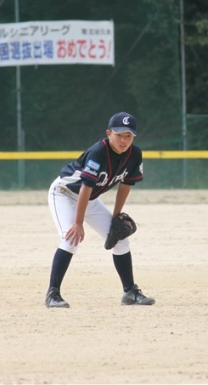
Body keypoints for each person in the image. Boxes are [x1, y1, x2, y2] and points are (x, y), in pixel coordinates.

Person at [45, 111, 156, 308]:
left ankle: (130, 292)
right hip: (64, 193)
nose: (124, 140)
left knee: (120, 238)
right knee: (71, 238)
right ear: (109, 133)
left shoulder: (134, 154)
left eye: (128, 135)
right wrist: (78, 223)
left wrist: (116, 217)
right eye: (119, 135)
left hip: (89, 198)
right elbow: (85, 187)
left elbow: (125, 185)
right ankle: (53, 294)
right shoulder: (98, 152)